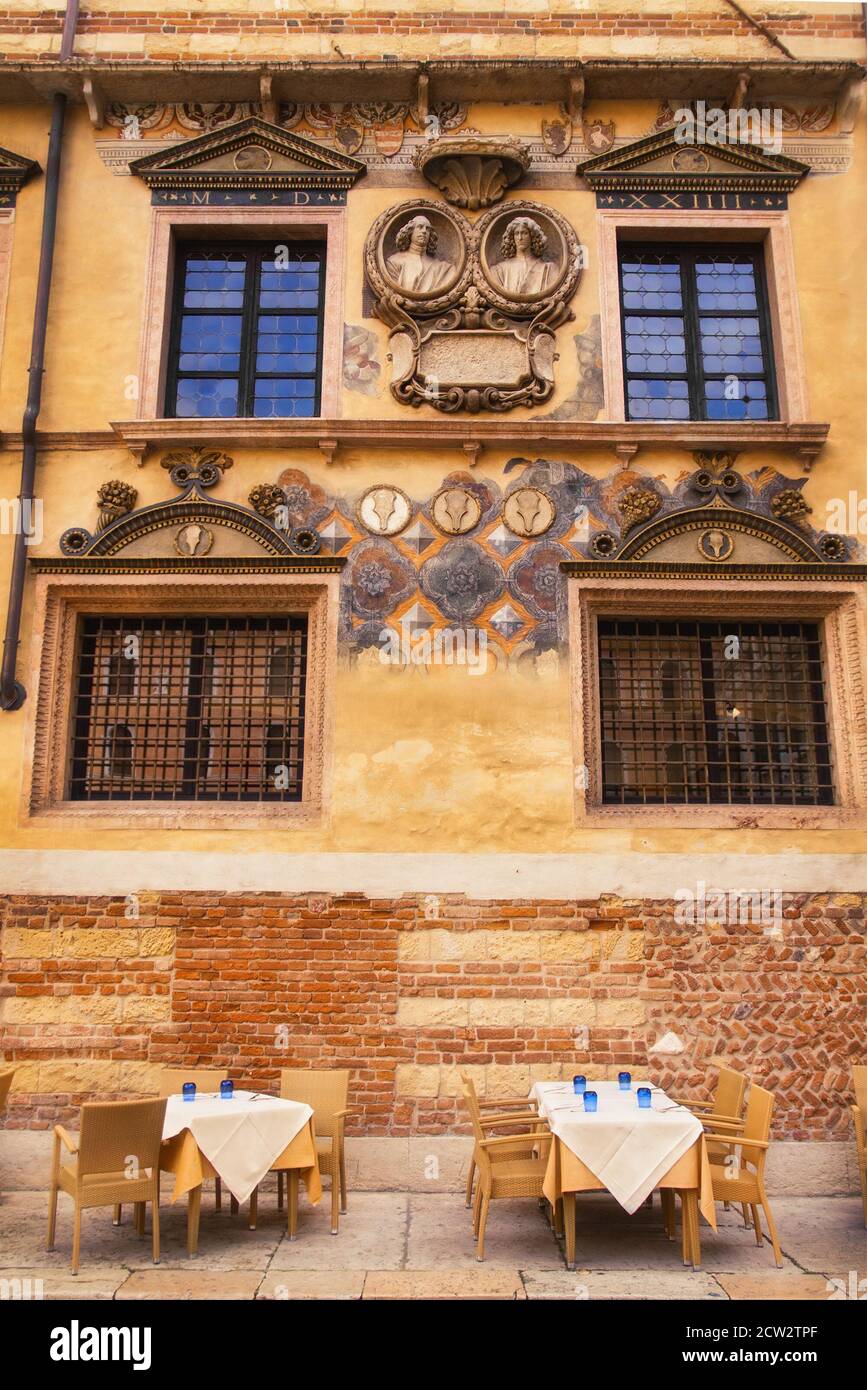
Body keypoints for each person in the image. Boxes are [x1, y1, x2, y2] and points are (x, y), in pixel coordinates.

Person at [385, 214, 454, 293]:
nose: (424, 231)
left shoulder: (443, 268)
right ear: (410, 232)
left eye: (427, 229)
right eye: (420, 227)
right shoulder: (395, 262)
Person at [492, 216, 555, 296]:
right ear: (512, 237)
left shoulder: (548, 269)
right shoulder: (499, 270)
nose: (520, 238)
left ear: (532, 236)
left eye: (524, 233)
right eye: (516, 233)